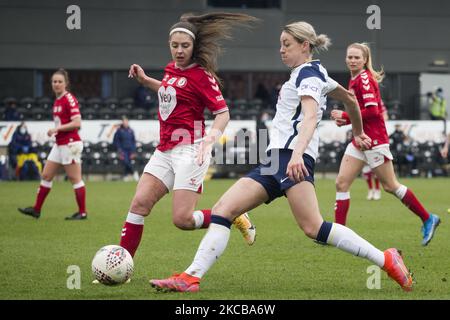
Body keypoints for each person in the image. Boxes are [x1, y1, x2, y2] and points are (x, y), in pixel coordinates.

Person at [149, 22, 413, 293]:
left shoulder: (308, 75)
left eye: (287, 44)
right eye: (281, 44)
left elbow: (311, 116)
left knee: (314, 228)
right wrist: (357, 133)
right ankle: (190, 277)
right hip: (275, 161)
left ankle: (386, 259)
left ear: (305, 46)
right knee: (223, 211)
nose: (281, 50)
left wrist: (298, 154)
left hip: (290, 159)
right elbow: (349, 99)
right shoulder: (314, 71)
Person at [119, 13, 259, 262]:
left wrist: (208, 141)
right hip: (164, 150)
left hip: (191, 150)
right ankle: (121, 265)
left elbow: (223, 113)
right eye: (175, 46)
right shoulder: (171, 69)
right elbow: (171, 89)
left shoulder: (202, 76)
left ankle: (233, 215)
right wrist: (145, 81)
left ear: (194, 47)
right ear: (169, 45)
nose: (179, 51)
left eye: (185, 46)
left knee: (182, 220)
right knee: (138, 206)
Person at [330, 42, 440, 245]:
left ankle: (428, 218)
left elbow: (373, 112)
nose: (352, 60)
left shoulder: (363, 79)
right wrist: (348, 120)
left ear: (364, 60)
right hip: (360, 139)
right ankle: (339, 234)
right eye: (349, 57)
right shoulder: (354, 78)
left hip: (374, 140)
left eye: (356, 57)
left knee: (390, 186)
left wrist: (345, 116)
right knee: (341, 183)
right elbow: (361, 112)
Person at [18, 68, 87, 220]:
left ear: (66, 83)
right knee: (46, 175)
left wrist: (57, 129)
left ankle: (82, 212)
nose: (56, 84)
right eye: (54, 81)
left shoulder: (69, 98)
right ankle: (36, 209)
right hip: (60, 143)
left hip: (70, 143)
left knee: (75, 178)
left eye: (60, 81)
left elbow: (77, 123)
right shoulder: (57, 100)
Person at [113, 116, 139, 181]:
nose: (125, 123)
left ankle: (125, 175)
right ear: (122, 122)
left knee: (128, 162)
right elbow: (116, 141)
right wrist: (119, 150)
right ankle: (134, 172)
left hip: (130, 150)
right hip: (123, 150)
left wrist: (133, 151)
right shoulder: (119, 131)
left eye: (126, 121)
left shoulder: (131, 131)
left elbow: (133, 141)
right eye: (124, 121)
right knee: (126, 162)